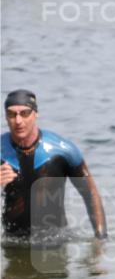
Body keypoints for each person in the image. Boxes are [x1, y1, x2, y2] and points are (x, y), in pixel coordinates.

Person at [1, 90, 107, 240]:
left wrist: (101, 240)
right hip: (13, 244)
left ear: (35, 114)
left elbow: (90, 194)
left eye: (25, 113)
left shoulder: (63, 150)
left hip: (54, 243)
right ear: (6, 116)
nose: (18, 121)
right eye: (12, 114)